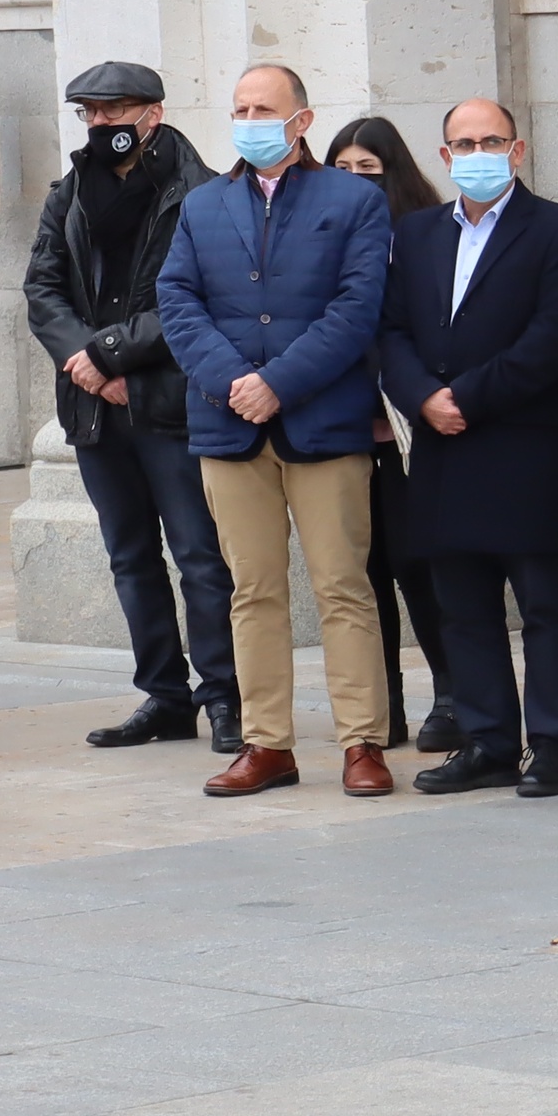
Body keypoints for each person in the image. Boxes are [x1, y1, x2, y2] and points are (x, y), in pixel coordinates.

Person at [157, 65, 401, 797]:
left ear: (302, 120)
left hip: (322, 424)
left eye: (264, 109)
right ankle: (266, 743)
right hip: (229, 426)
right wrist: (234, 380)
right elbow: (177, 300)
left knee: (343, 587)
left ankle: (362, 742)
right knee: (252, 590)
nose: (250, 121)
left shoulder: (353, 200)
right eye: (240, 109)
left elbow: (356, 309)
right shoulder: (203, 204)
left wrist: (279, 384)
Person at [379, 100, 558, 799]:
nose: (478, 154)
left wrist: (464, 399)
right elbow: (391, 331)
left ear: (518, 149)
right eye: (464, 144)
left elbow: (553, 337)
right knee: (463, 607)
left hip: (522, 445)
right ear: (445, 157)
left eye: (492, 141)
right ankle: (488, 743)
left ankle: (553, 748)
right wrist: (422, 397)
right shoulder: (416, 233)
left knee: (543, 607)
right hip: (442, 451)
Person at [24, 62, 242, 756]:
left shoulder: (201, 191)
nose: (101, 124)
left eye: (115, 110)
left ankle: (224, 697)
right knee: (130, 556)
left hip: (172, 403)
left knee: (200, 557)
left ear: (153, 113)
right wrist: (86, 363)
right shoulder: (70, 193)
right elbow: (42, 289)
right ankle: (165, 696)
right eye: (90, 112)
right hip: (95, 407)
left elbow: (201, 298)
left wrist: (112, 353)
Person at [325, 117, 451, 749]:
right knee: (361, 574)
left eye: (368, 170)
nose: (354, 182)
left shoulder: (421, 235)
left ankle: (451, 694)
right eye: (342, 169)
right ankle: (384, 706)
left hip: (404, 431)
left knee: (417, 568)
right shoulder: (320, 234)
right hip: (340, 429)